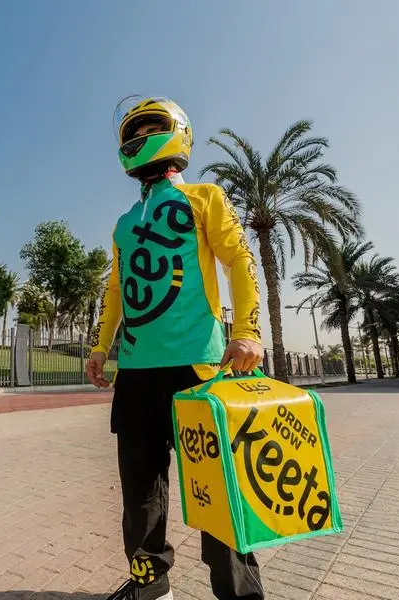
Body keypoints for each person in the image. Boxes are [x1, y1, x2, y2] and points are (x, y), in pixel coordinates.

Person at [86, 95, 266, 600]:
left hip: (199, 368)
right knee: (140, 495)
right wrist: (101, 347)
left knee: (219, 491)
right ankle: (151, 588)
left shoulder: (206, 197)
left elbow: (239, 260)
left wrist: (247, 331)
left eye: (150, 129)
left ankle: (239, 595)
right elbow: (116, 288)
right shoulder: (124, 223)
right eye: (133, 133)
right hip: (136, 374)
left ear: (177, 132)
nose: (140, 140)